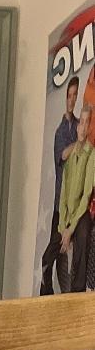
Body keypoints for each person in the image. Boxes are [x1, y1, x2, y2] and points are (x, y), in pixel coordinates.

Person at [39, 74, 79, 295]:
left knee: (65, 263)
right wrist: (79, 142)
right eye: (69, 96)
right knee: (50, 257)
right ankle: (44, 294)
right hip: (59, 206)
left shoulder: (79, 126)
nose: (72, 100)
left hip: (75, 207)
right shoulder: (61, 132)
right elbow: (63, 155)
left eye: (74, 96)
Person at [58, 103, 95, 292]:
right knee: (52, 249)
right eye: (82, 122)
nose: (83, 127)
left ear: (89, 128)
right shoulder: (71, 156)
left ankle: (77, 290)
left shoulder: (91, 154)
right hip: (68, 214)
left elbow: (86, 194)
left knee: (83, 233)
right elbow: (64, 195)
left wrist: (70, 228)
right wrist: (63, 226)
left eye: (87, 123)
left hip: (81, 213)